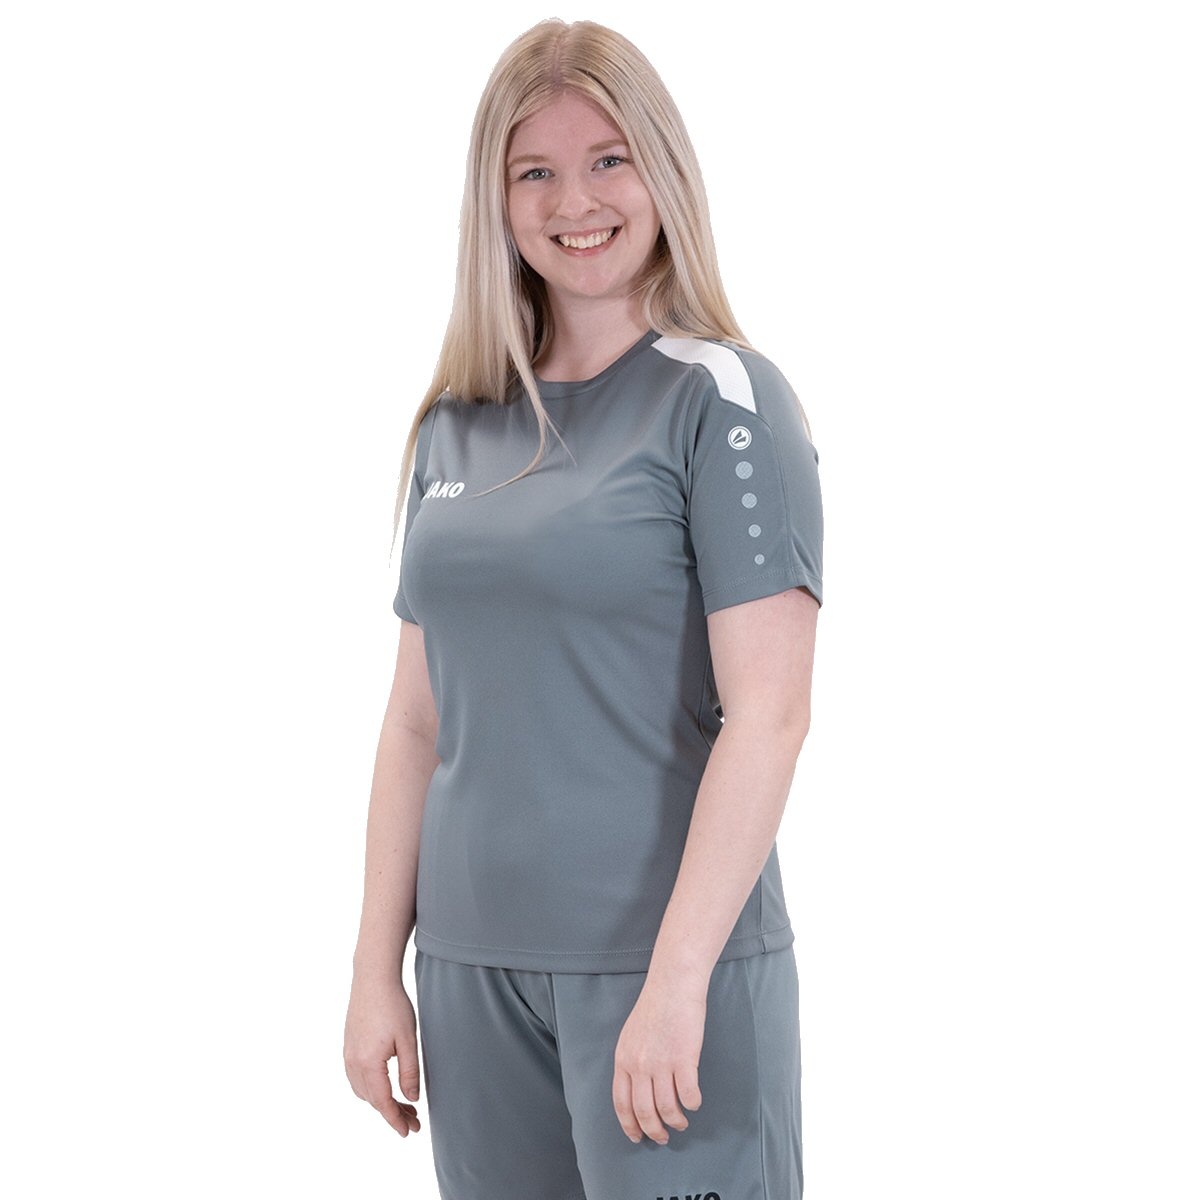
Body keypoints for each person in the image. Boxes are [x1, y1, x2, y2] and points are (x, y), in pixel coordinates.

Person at [344, 17, 823, 1200]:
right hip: (471, 976)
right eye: (535, 172)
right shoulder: (456, 422)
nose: (576, 202)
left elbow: (770, 716)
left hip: (661, 974)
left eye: (608, 159)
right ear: (496, 199)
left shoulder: (723, 400)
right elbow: (416, 722)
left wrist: (679, 979)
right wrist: (374, 965)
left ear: (662, 169)